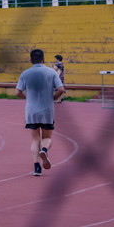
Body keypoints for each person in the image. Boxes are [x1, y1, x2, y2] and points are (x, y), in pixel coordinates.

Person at [15, 49, 66, 177]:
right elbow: (61, 89)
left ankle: (37, 168)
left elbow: (17, 92)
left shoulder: (25, 73)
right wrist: (53, 98)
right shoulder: (51, 72)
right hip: (47, 110)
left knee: (35, 139)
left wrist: (26, 97)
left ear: (31, 60)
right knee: (47, 138)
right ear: (43, 59)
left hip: (31, 110)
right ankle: (44, 150)